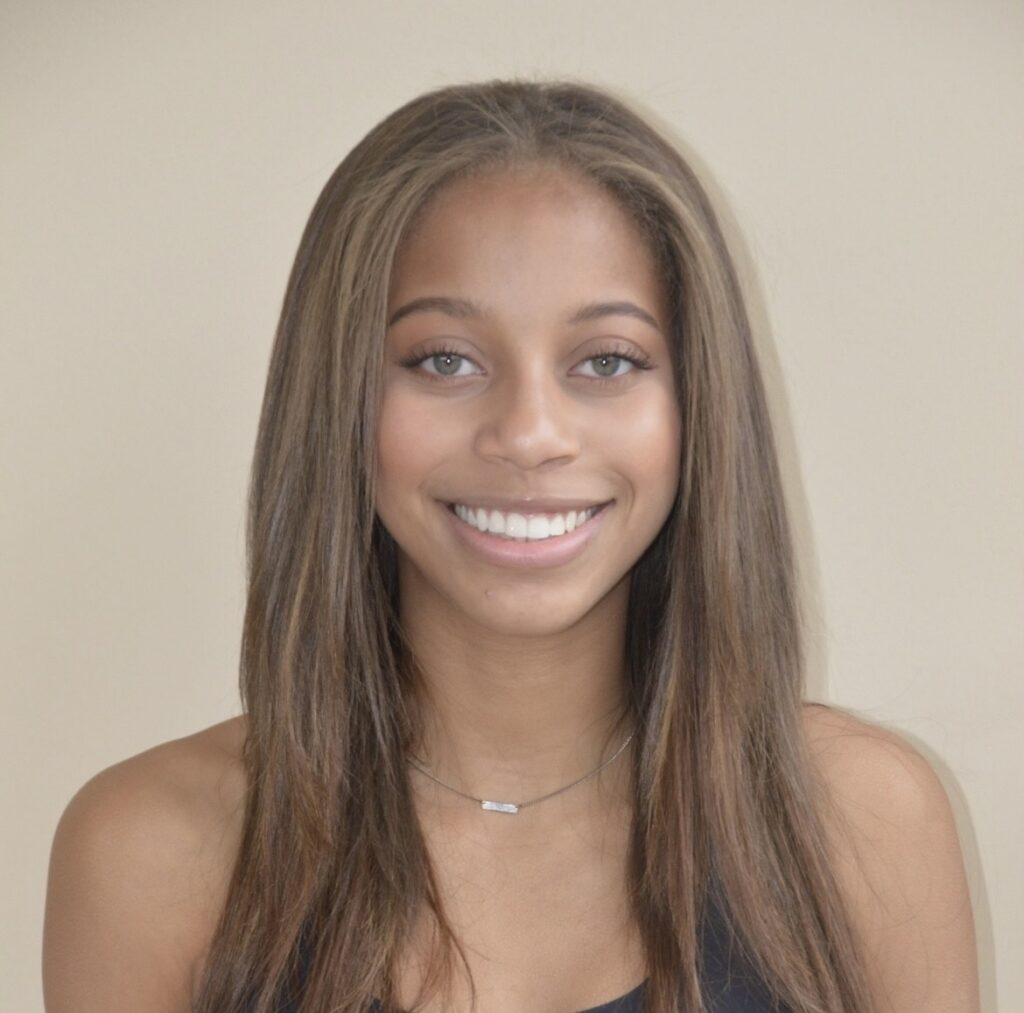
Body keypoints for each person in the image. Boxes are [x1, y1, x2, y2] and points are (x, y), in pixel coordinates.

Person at [42, 79, 979, 1012]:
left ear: (696, 407)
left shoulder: (864, 822)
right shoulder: (147, 856)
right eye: (444, 358)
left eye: (607, 360)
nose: (531, 433)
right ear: (337, 401)